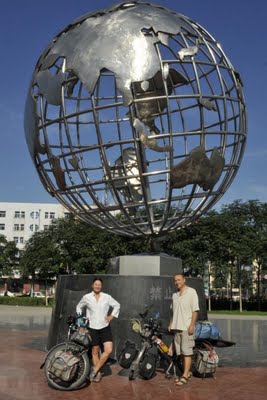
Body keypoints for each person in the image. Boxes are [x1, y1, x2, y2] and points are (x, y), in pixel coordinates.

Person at [76, 277, 120, 383]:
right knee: (95, 351)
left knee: (108, 350)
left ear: (101, 286)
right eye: (96, 284)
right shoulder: (86, 297)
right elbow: (79, 306)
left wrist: (111, 316)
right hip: (92, 327)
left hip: (104, 326)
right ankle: (98, 373)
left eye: (99, 284)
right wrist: (81, 318)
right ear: (92, 285)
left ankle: (94, 369)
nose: (97, 286)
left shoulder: (106, 297)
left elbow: (117, 305)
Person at [168, 273, 199, 386]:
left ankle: (185, 375)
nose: (177, 282)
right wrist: (171, 323)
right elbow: (173, 312)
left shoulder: (191, 292)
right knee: (180, 353)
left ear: (184, 280)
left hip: (186, 328)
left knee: (187, 353)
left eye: (179, 280)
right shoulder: (174, 295)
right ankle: (186, 373)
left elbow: (195, 310)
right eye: (175, 280)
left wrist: (192, 325)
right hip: (177, 328)